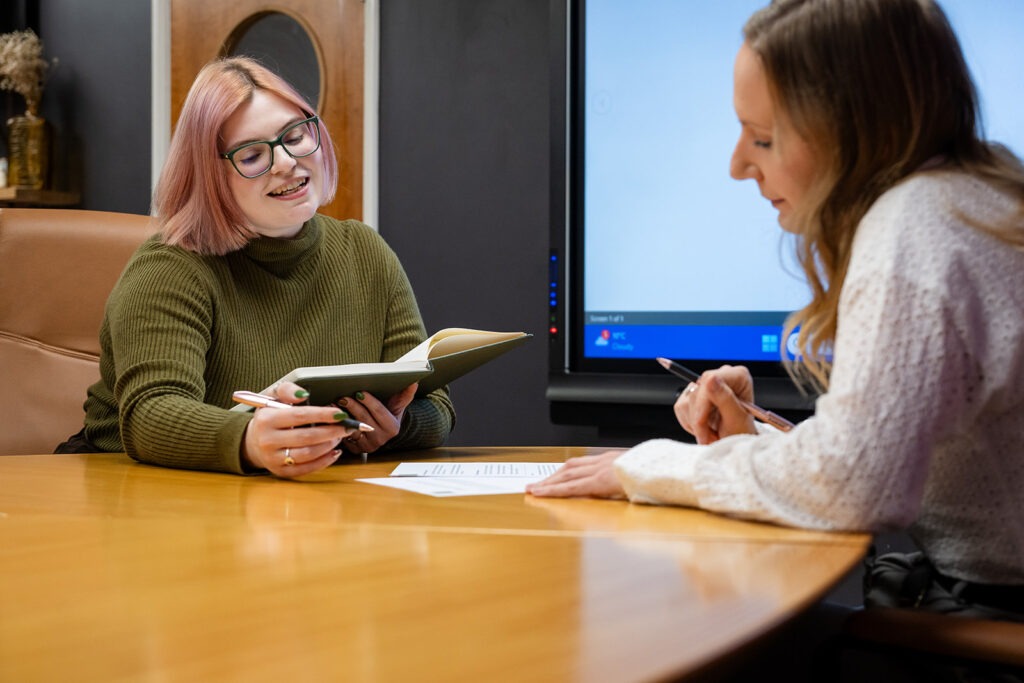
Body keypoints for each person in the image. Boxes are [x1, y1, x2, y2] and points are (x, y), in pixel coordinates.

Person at [528, 0, 1024, 618]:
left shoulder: (914, 232)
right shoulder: (978, 195)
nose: (738, 165)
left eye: (763, 138)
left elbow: (852, 486)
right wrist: (754, 438)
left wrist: (652, 467)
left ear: (856, 129)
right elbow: (876, 454)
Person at [56, 56, 455, 478]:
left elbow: (435, 405)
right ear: (210, 176)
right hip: (135, 488)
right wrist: (249, 440)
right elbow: (150, 416)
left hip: (300, 492)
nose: (285, 162)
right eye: (251, 156)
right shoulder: (170, 267)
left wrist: (392, 427)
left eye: (295, 136)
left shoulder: (365, 252)